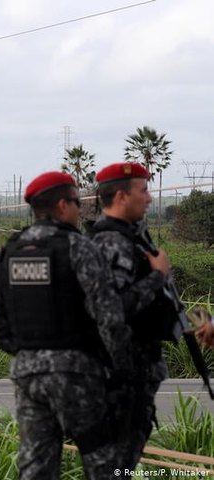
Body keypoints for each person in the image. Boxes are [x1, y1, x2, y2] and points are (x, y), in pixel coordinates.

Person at [0, 171, 133, 479]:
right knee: (105, 460)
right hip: (78, 372)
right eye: (78, 202)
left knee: (36, 464)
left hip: (27, 374)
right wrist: (118, 367)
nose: (81, 210)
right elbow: (110, 318)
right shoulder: (79, 248)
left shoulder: (5, 254)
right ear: (63, 205)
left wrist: (31, 353)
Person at [89, 162, 175, 470]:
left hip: (137, 372)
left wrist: (195, 325)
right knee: (115, 465)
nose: (150, 198)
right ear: (122, 197)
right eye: (144, 191)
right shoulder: (111, 243)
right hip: (120, 376)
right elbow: (111, 309)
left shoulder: (133, 238)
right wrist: (157, 276)